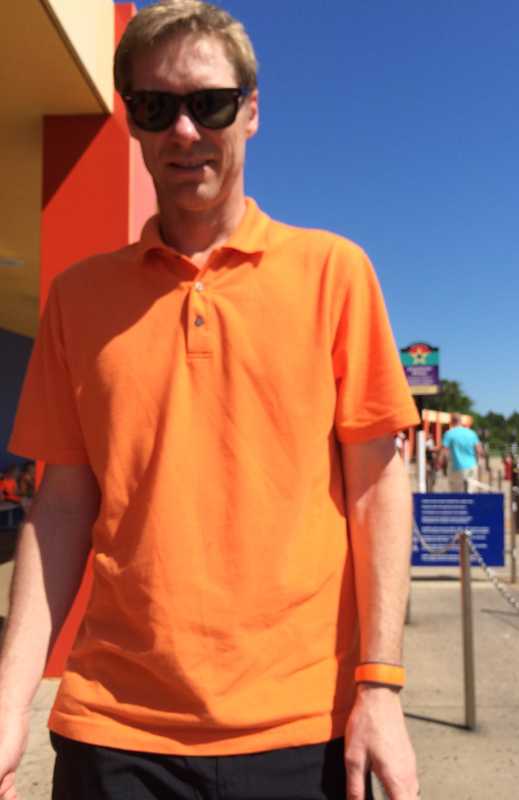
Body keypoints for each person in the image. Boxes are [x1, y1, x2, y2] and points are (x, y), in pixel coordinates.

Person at [0, 2, 421, 798]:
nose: (184, 130)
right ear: (132, 121)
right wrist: (8, 700)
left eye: (210, 103)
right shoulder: (77, 298)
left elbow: (375, 487)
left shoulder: (334, 274)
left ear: (251, 112)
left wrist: (380, 686)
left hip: (302, 725)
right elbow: (61, 508)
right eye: (155, 106)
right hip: (113, 729)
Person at [440, 413, 483, 492]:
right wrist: (476, 463)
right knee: (470, 492)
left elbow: (443, 451)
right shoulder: (471, 433)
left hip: (456, 467)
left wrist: (439, 463)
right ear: (461, 421)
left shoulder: (449, 433)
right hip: (471, 466)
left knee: (456, 493)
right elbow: (479, 450)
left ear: (451, 421)